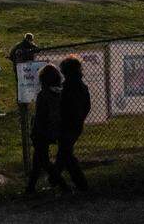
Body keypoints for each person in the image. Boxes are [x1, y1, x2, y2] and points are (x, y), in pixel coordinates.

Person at [25, 63, 65, 194]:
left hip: (42, 131)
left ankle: (63, 185)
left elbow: (40, 116)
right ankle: (30, 187)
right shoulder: (59, 93)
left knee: (42, 160)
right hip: (52, 129)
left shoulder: (44, 95)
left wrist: (35, 131)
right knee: (39, 160)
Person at [57, 56, 90, 191]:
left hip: (67, 124)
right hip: (76, 124)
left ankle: (80, 183)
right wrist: (81, 117)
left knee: (66, 153)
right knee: (64, 152)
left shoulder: (66, 87)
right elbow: (87, 106)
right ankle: (55, 179)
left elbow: (62, 106)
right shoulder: (81, 86)